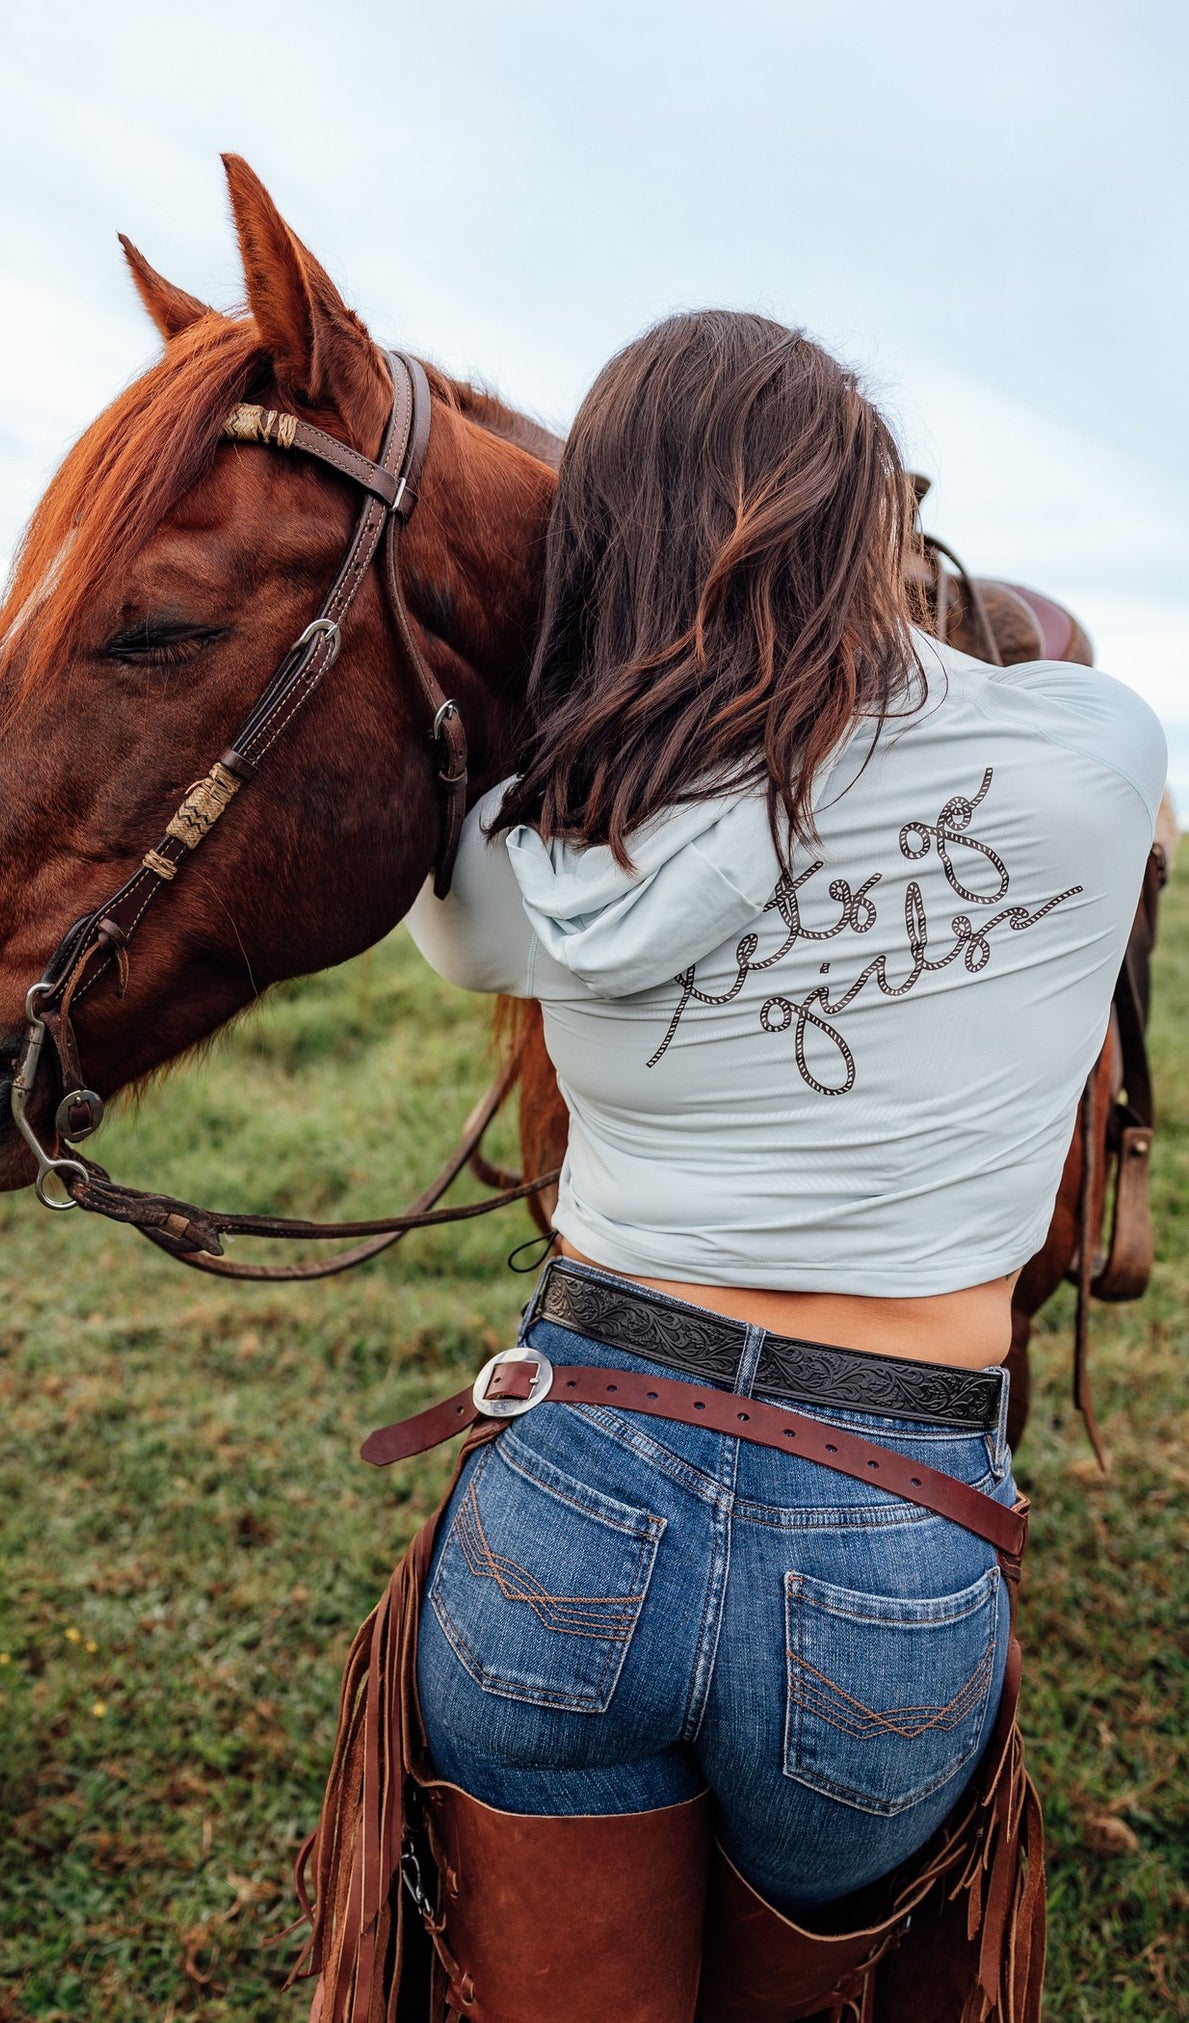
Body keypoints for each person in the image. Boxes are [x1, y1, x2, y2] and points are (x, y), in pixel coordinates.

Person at [395, 311, 1165, 2016]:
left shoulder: (543, 854)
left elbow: (480, 904)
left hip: (576, 1476)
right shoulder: (1095, 751)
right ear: (872, 521)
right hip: (892, 1525)